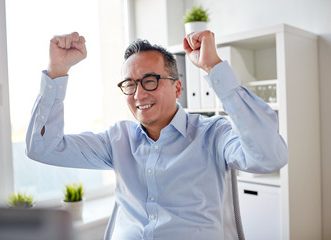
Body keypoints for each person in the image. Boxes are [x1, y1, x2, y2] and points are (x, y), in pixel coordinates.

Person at [26, 31, 288, 239]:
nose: (139, 95)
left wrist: (214, 67)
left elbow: (269, 157)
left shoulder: (214, 134)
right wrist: (57, 70)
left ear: (177, 88)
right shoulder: (118, 139)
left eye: (150, 80)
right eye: (130, 84)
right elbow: (42, 147)